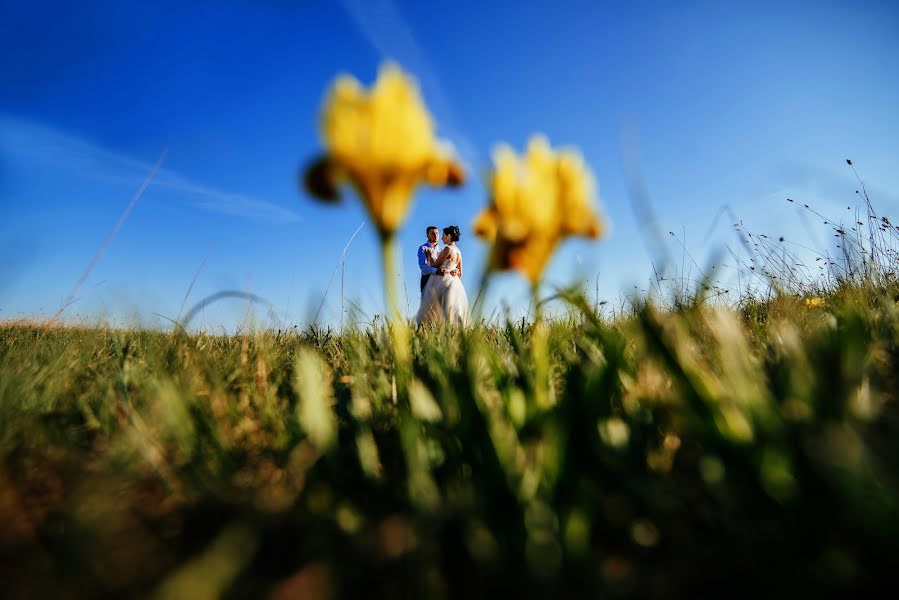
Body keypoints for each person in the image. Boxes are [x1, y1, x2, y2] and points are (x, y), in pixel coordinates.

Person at [416, 225, 469, 326]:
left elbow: (450, 264)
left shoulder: (443, 249)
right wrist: (436, 271)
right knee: (427, 307)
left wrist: (455, 270)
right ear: (427, 235)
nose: (436, 236)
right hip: (428, 278)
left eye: (437, 233)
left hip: (442, 281)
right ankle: (424, 330)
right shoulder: (423, 248)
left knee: (443, 307)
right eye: (432, 233)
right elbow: (423, 266)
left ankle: (440, 330)